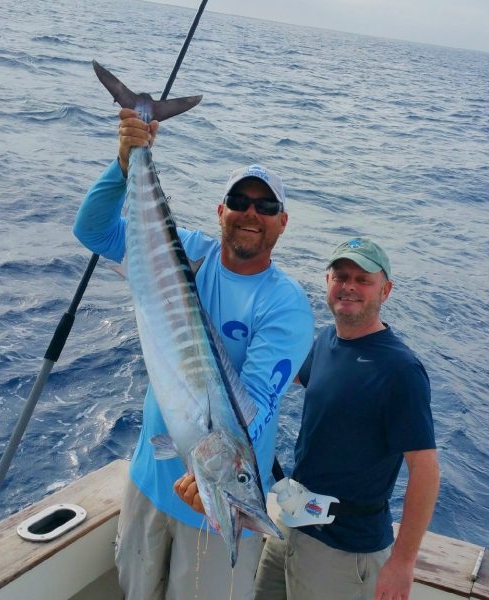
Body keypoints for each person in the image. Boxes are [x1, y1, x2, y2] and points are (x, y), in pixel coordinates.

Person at [72, 108, 314, 600]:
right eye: (240, 201)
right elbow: (93, 232)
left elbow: (256, 409)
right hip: (147, 481)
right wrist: (125, 165)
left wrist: (216, 481)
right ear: (220, 209)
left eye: (266, 206)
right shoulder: (180, 249)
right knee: (133, 589)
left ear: (283, 222)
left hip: (208, 511)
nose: (252, 213)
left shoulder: (285, 304)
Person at [253, 237, 440, 600]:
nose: (349, 286)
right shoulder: (326, 340)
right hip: (294, 524)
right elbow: (284, 371)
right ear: (327, 282)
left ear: (385, 290)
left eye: (363, 279)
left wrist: (402, 562)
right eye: (340, 276)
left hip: (347, 551)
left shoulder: (400, 369)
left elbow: (426, 470)